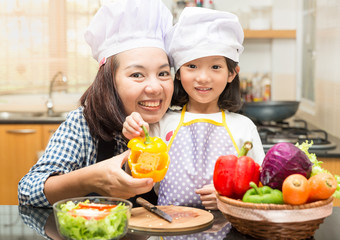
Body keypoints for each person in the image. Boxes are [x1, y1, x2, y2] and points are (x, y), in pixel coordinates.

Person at [18, 0, 174, 207]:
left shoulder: (181, 121)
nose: (155, 88)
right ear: (109, 80)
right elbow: (27, 192)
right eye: (137, 74)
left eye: (163, 73)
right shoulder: (83, 124)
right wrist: (90, 178)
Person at [123, 7, 265, 211]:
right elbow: (138, 177)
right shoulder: (162, 124)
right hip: (168, 230)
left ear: (232, 73)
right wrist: (135, 136)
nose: (203, 77)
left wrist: (229, 199)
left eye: (215, 67)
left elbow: (260, 187)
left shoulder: (243, 127)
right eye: (192, 66)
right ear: (178, 72)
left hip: (227, 231)